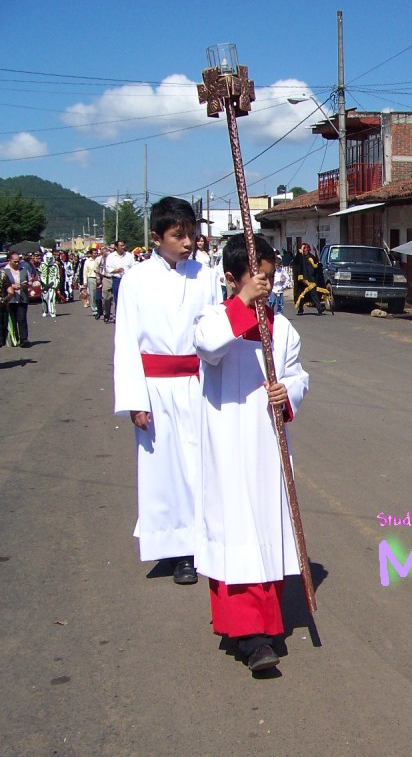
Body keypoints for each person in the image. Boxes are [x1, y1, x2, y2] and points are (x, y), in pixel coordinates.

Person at [192, 234, 309, 673]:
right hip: (229, 446)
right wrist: (242, 302)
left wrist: (287, 392)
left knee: (268, 527)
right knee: (236, 530)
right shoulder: (214, 318)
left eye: (270, 277)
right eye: (257, 277)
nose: (265, 285)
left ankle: (267, 622)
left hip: (268, 445)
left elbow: (298, 375)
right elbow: (208, 346)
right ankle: (249, 635)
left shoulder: (284, 329)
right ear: (231, 278)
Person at [113, 197, 224, 585]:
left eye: (191, 233)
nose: (188, 242)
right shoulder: (136, 279)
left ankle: (204, 542)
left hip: (198, 384)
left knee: (201, 465)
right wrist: (134, 400)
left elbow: (216, 332)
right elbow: (126, 341)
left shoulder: (207, 276)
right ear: (157, 237)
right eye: (178, 235)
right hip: (155, 389)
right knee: (166, 471)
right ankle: (178, 551)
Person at [3, 250, 34, 347]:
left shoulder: (23, 269)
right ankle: (14, 339)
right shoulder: (4, 271)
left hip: (22, 298)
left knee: (22, 319)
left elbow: (30, 281)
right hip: (10, 299)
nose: (17, 263)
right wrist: (12, 286)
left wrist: (28, 284)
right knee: (12, 320)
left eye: (18, 261)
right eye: (15, 262)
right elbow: (1, 284)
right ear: (9, 260)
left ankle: (24, 339)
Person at [292, 243, 328, 315]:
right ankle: (300, 309)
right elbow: (296, 262)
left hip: (311, 279)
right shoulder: (300, 257)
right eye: (304, 249)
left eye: (307, 249)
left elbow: (316, 265)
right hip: (302, 279)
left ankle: (319, 308)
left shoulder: (311, 257)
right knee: (301, 294)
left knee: (314, 294)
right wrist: (300, 251)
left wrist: (318, 259)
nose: (306, 250)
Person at [105, 240, 134, 322]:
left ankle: (128, 316)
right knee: (117, 298)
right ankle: (119, 316)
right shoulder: (111, 256)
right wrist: (117, 270)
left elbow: (133, 266)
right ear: (116, 247)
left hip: (127, 280)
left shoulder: (129, 256)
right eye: (121, 246)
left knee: (128, 299)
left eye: (123, 245)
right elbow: (108, 268)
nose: (123, 247)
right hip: (117, 280)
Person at [39, 250, 60, 318]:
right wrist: (41, 283)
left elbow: (57, 276)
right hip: (44, 284)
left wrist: (55, 284)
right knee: (44, 298)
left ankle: (52, 311)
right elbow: (39, 274)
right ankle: (45, 311)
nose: (49, 260)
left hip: (52, 284)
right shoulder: (42, 265)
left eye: (50, 258)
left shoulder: (55, 266)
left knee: (52, 298)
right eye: (47, 258)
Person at [84, 248, 102, 317]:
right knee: (92, 295)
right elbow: (85, 272)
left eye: (96, 253)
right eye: (94, 253)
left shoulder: (100, 260)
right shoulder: (87, 261)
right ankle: (94, 310)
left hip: (100, 278)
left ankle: (100, 309)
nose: (96, 254)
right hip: (91, 278)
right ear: (91, 254)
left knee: (100, 295)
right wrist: (85, 281)